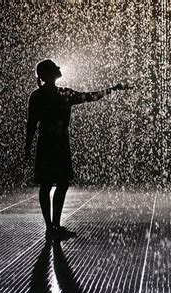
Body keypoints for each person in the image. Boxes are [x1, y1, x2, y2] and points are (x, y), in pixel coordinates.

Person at [24, 59, 132, 240]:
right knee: (61, 183)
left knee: (46, 184)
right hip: (59, 143)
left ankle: (51, 227)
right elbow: (89, 97)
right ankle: (54, 226)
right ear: (50, 73)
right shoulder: (63, 94)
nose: (59, 68)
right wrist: (113, 89)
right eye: (55, 67)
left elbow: (32, 124)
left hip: (46, 143)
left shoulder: (38, 96)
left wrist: (28, 145)